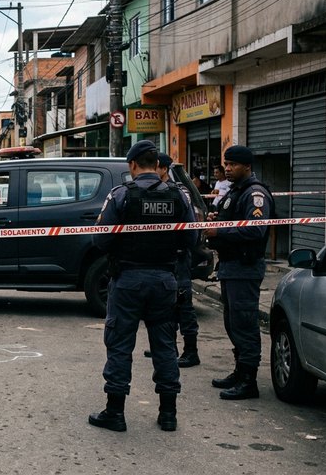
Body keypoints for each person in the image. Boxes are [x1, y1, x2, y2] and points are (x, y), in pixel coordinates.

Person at [88, 140, 197, 432]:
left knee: (120, 344)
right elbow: (192, 240)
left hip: (128, 281)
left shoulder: (121, 195)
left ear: (133, 165)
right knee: (164, 345)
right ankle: (168, 414)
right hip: (164, 281)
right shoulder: (179, 196)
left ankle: (115, 412)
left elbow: (100, 239)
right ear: (155, 163)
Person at [204, 145, 273, 401]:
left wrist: (219, 232)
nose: (228, 169)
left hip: (245, 268)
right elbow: (232, 220)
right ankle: (239, 371)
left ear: (247, 166)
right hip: (231, 267)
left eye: (233, 165)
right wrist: (217, 219)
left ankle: (248, 381)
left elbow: (255, 230)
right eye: (227, 164)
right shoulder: (236, 191)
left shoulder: (255, 194)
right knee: (233, 324)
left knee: (245, 325)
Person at [156, 154, 200, 368]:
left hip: (180, 255)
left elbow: (189, 228)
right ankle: (169, 346)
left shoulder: (178, 192)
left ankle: (191, 351)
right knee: (167, 304)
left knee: (183, 304)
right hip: (166, 255)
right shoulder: (159, 191)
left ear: (164, 169)